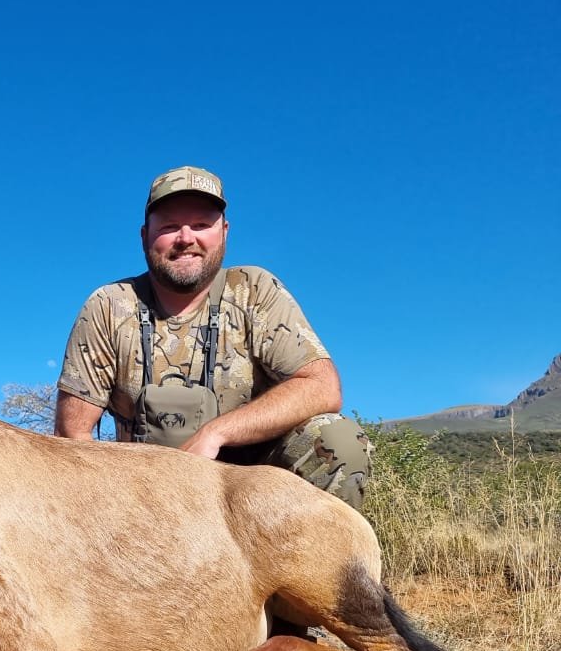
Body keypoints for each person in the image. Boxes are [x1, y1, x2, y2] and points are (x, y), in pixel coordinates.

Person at [54, 165, 370, 510]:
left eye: (201, 225)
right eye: (170, 226)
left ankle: (310, 563)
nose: (186, 238)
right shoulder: (109, 304)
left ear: (224, 232)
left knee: (338, 440)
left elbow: (321, 386)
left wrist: (215, 434)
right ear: (145, 236)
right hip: (143, 494)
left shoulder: (254, 290)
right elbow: (73, 437)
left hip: (249, 492)